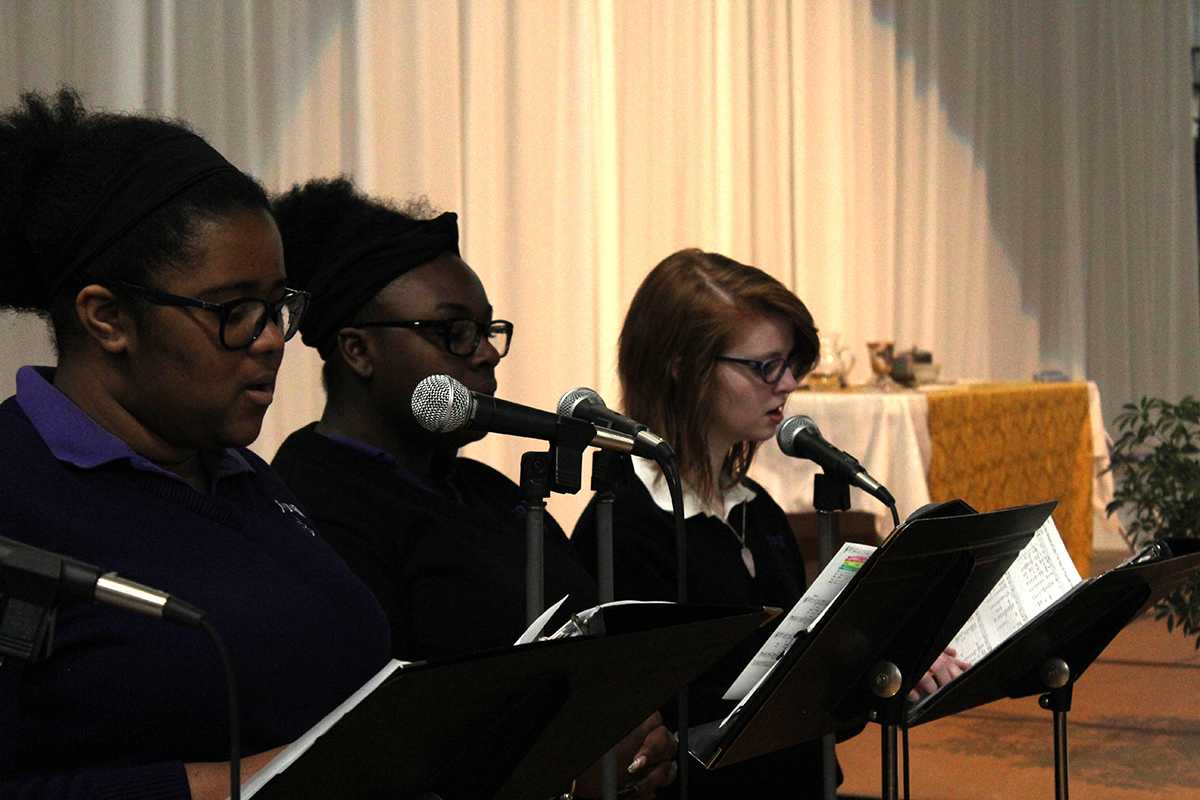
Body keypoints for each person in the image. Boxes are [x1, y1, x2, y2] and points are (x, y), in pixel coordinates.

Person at [0, 89, 391, 799]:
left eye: (277, 306)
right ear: (108, 318)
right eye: (234, 310)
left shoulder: (243, 477)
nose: (271, 338)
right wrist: (232, 785)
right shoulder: (16, 490)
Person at [269, 177, 676, 798]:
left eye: (487, 329)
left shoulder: (490, 489)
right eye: (453, 331)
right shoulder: (313, 500)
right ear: (357, 350)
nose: (485, 353)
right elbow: (385, 734)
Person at [572, 248, 969, 797]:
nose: (786, 385)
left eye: (790, 365)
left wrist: (886, 655)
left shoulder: (755, 507)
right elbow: (648, 726)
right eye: (764, 367)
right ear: (682, 367)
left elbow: (794, 666)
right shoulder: (625, 524)